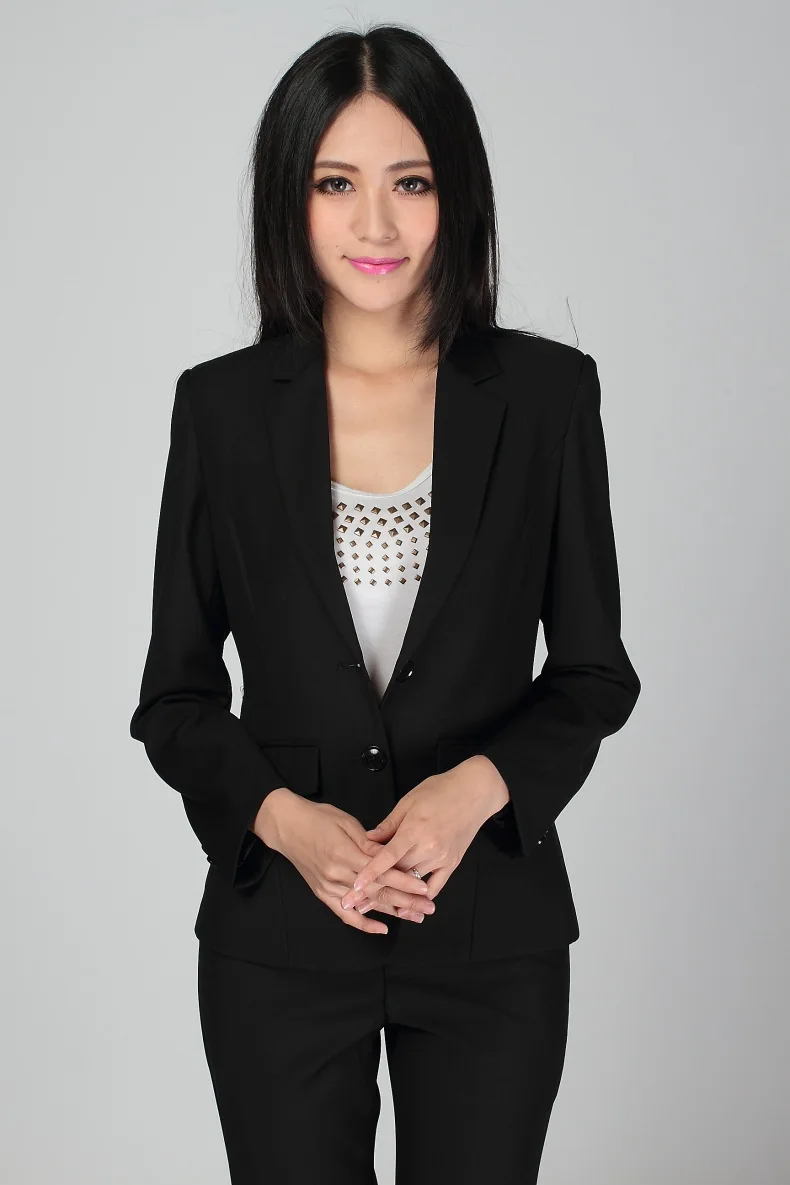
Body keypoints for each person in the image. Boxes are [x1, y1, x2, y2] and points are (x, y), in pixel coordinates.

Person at [129, 22, 641, 1185]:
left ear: (456, 194)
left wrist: (476, 790)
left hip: (491, 928)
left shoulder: (546, 397)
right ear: (289, 200)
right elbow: (174, 700)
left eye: (410, 182)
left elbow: (592, 673)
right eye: (335, 184)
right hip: (279, 935)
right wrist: (282, 819)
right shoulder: (220, 412)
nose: (375, 224)